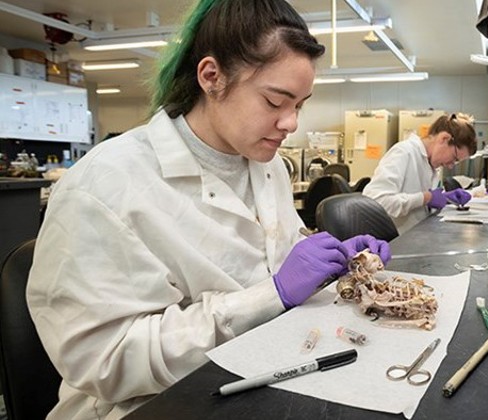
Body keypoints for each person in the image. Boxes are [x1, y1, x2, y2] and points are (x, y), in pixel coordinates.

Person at [26, 1, 390, 418]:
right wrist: (270, 295)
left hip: (257, 373)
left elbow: (276, 250)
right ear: (211, 77)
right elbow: (104, 362)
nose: (291, 123)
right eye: (275, 102)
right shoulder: (105, 186)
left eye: (300, 105)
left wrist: (337, 258)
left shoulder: (266, 166)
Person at [363, 113, 478, 233]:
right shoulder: (404, 152)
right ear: (444, 138)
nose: (450, 166)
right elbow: (375, 202)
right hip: (395, 242)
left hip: (419, 235)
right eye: (454, 158)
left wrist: (445, 197)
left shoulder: (431, 164)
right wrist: (425, 198)